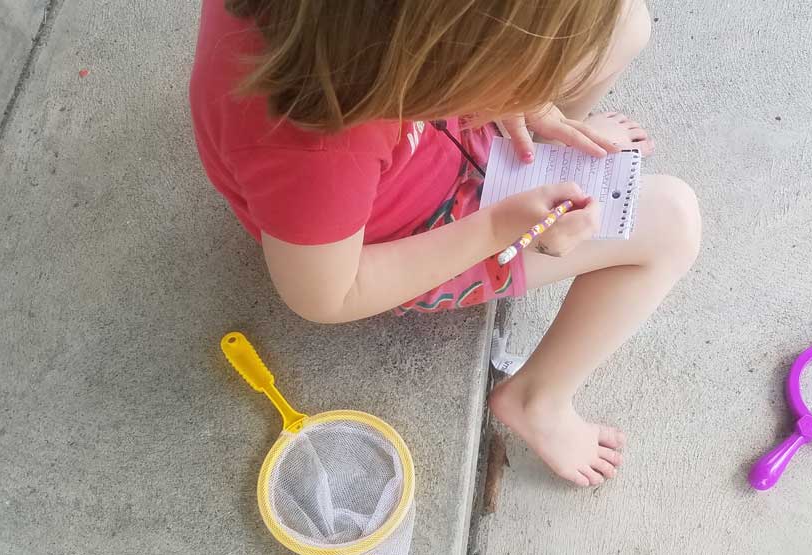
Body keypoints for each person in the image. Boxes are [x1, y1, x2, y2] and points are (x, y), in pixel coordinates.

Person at [189, 0, 701, 487]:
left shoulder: (340, 31)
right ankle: (537, 400)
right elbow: (326, 294)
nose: (525, 87)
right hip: (421, 233)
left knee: (625, 23)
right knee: (673, 222)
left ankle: (527, 137)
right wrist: (503, 228)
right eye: (514, 73)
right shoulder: (316, 147)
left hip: (421, 116)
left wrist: (528, 101)